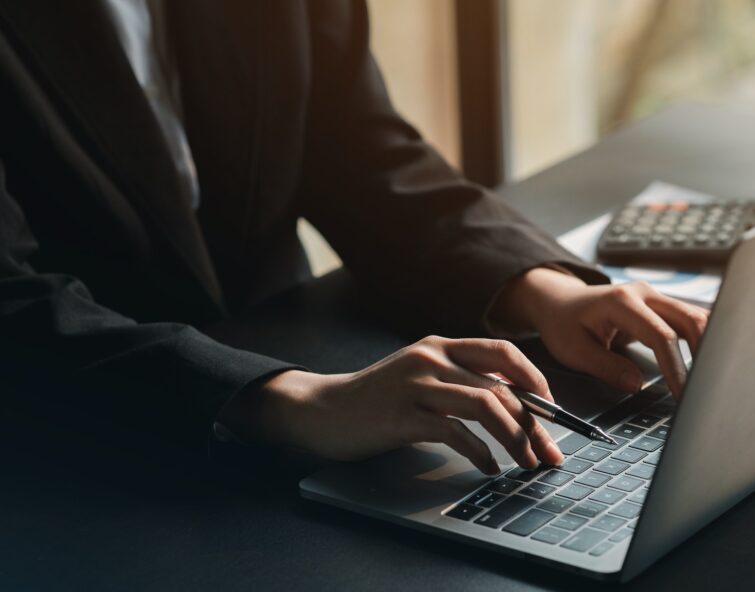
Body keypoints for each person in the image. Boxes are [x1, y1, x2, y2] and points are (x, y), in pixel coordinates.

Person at [0, 0, 707, 474]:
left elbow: (356, 152)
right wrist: (294, 399)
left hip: (288, 375)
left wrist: (542, 290)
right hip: (72, 461)